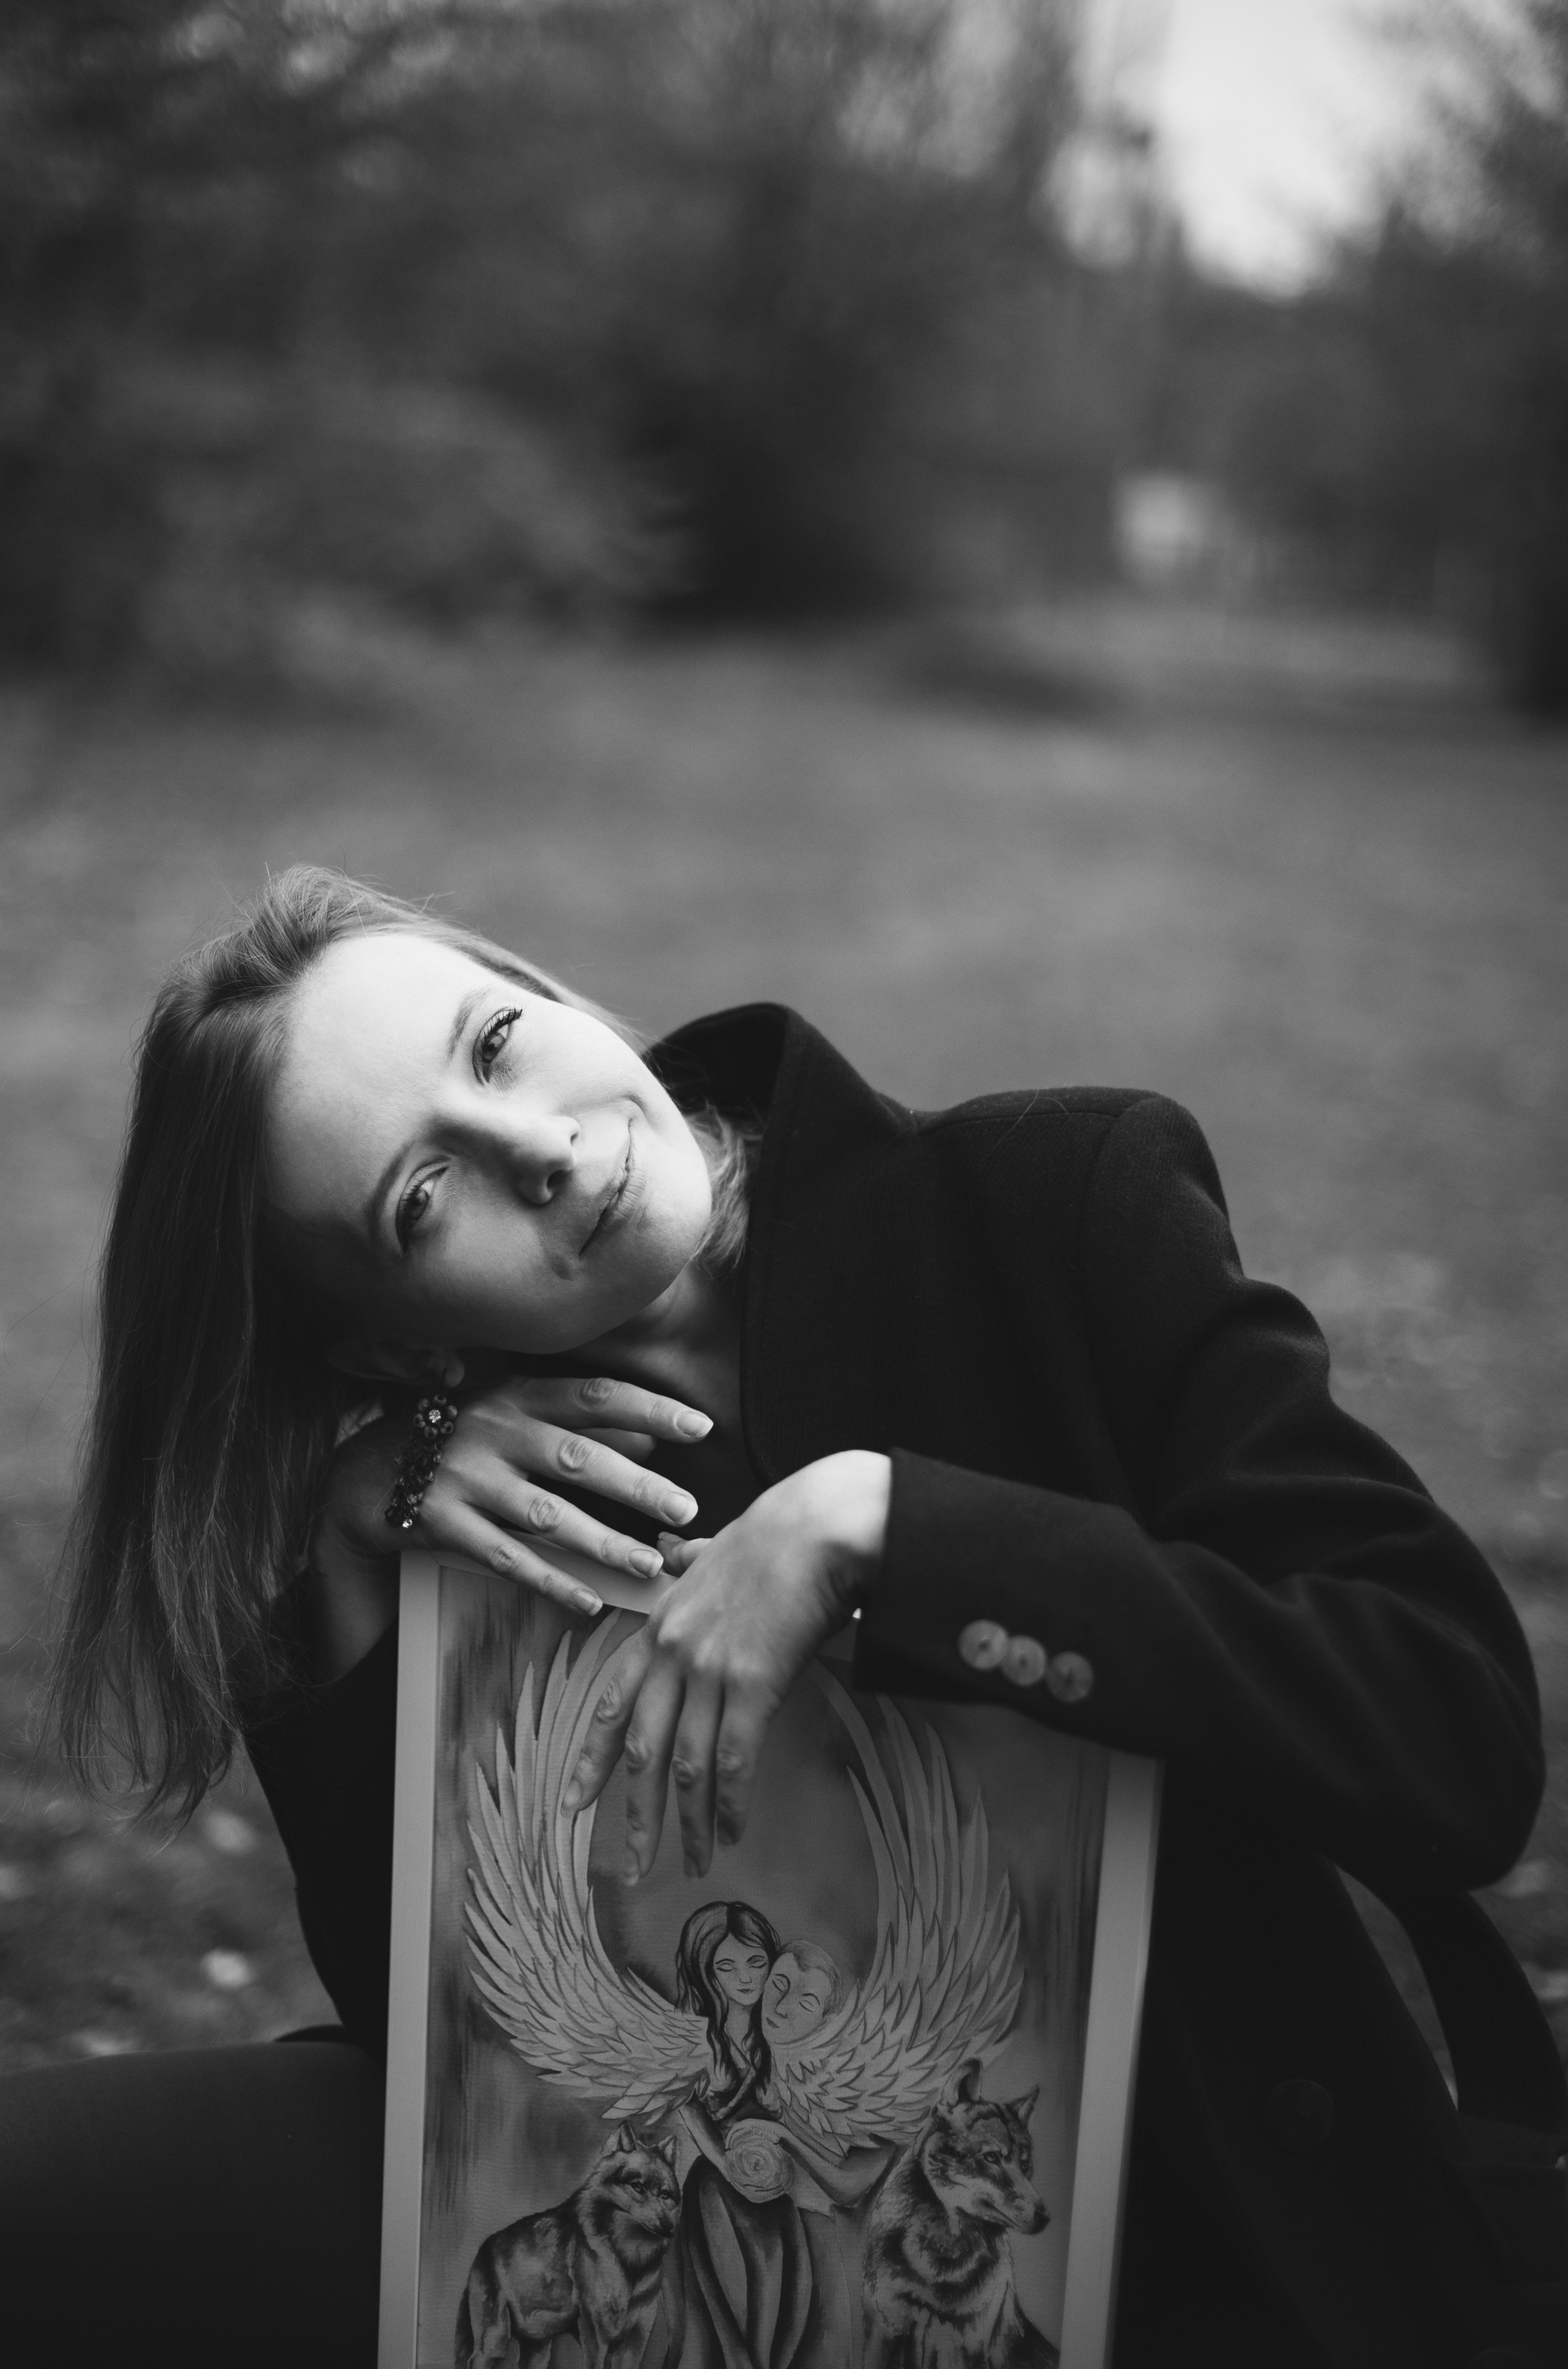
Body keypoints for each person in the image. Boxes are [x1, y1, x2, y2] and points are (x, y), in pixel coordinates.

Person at [5, 863, 1550, 2368]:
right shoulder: (455, 1511)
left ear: (554, 993)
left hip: (1206, 2247)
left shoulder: (1058, 1199)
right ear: (388, 1345)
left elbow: (1457, 1732)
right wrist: (358, 1563)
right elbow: (456, 2085)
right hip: (707, 2285)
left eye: (494, 1042)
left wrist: (899, 1530)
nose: (535, 1146)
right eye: (423, 1197)